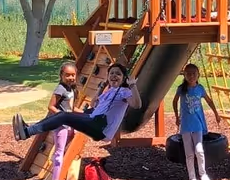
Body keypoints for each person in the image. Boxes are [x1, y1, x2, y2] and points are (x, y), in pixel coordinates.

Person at [13, 61, 141, 149]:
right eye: (111, 73)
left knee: (64, 116)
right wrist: (101, 87)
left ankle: (27, 132)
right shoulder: (110, 91)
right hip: (94, 120)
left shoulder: (125, 92)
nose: (114, 76)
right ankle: (28, 130)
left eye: (118, 74)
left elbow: (137, 105)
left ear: (124, 78)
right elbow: (94, 104)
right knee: (67, 114)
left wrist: (132, 85)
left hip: (101, 128)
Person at [172, 61, 219, 180]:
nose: (191, 76)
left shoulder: (200, 89)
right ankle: (192, 177)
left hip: (197, 124)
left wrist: (216, 114)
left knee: (199, 150)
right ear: (184, 75)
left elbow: (209, 101)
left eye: (193, 74)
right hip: (186, 125)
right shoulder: (181, 89)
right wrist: (177, 117)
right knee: (189, 153)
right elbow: (174, 101)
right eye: (188, 74)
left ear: (198, 75)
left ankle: (203, 174)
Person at [45, 60, 78, 180]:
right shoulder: (60, 89)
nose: (70, 78)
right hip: (61, 125)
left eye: (73, 75)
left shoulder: (71, 89)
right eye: (67, 75)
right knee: (59, 152)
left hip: (70, 123)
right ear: (61, 75)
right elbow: (51, 106)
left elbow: (71, 107)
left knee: (70, 141)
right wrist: (61, 115)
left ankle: (57, 162)